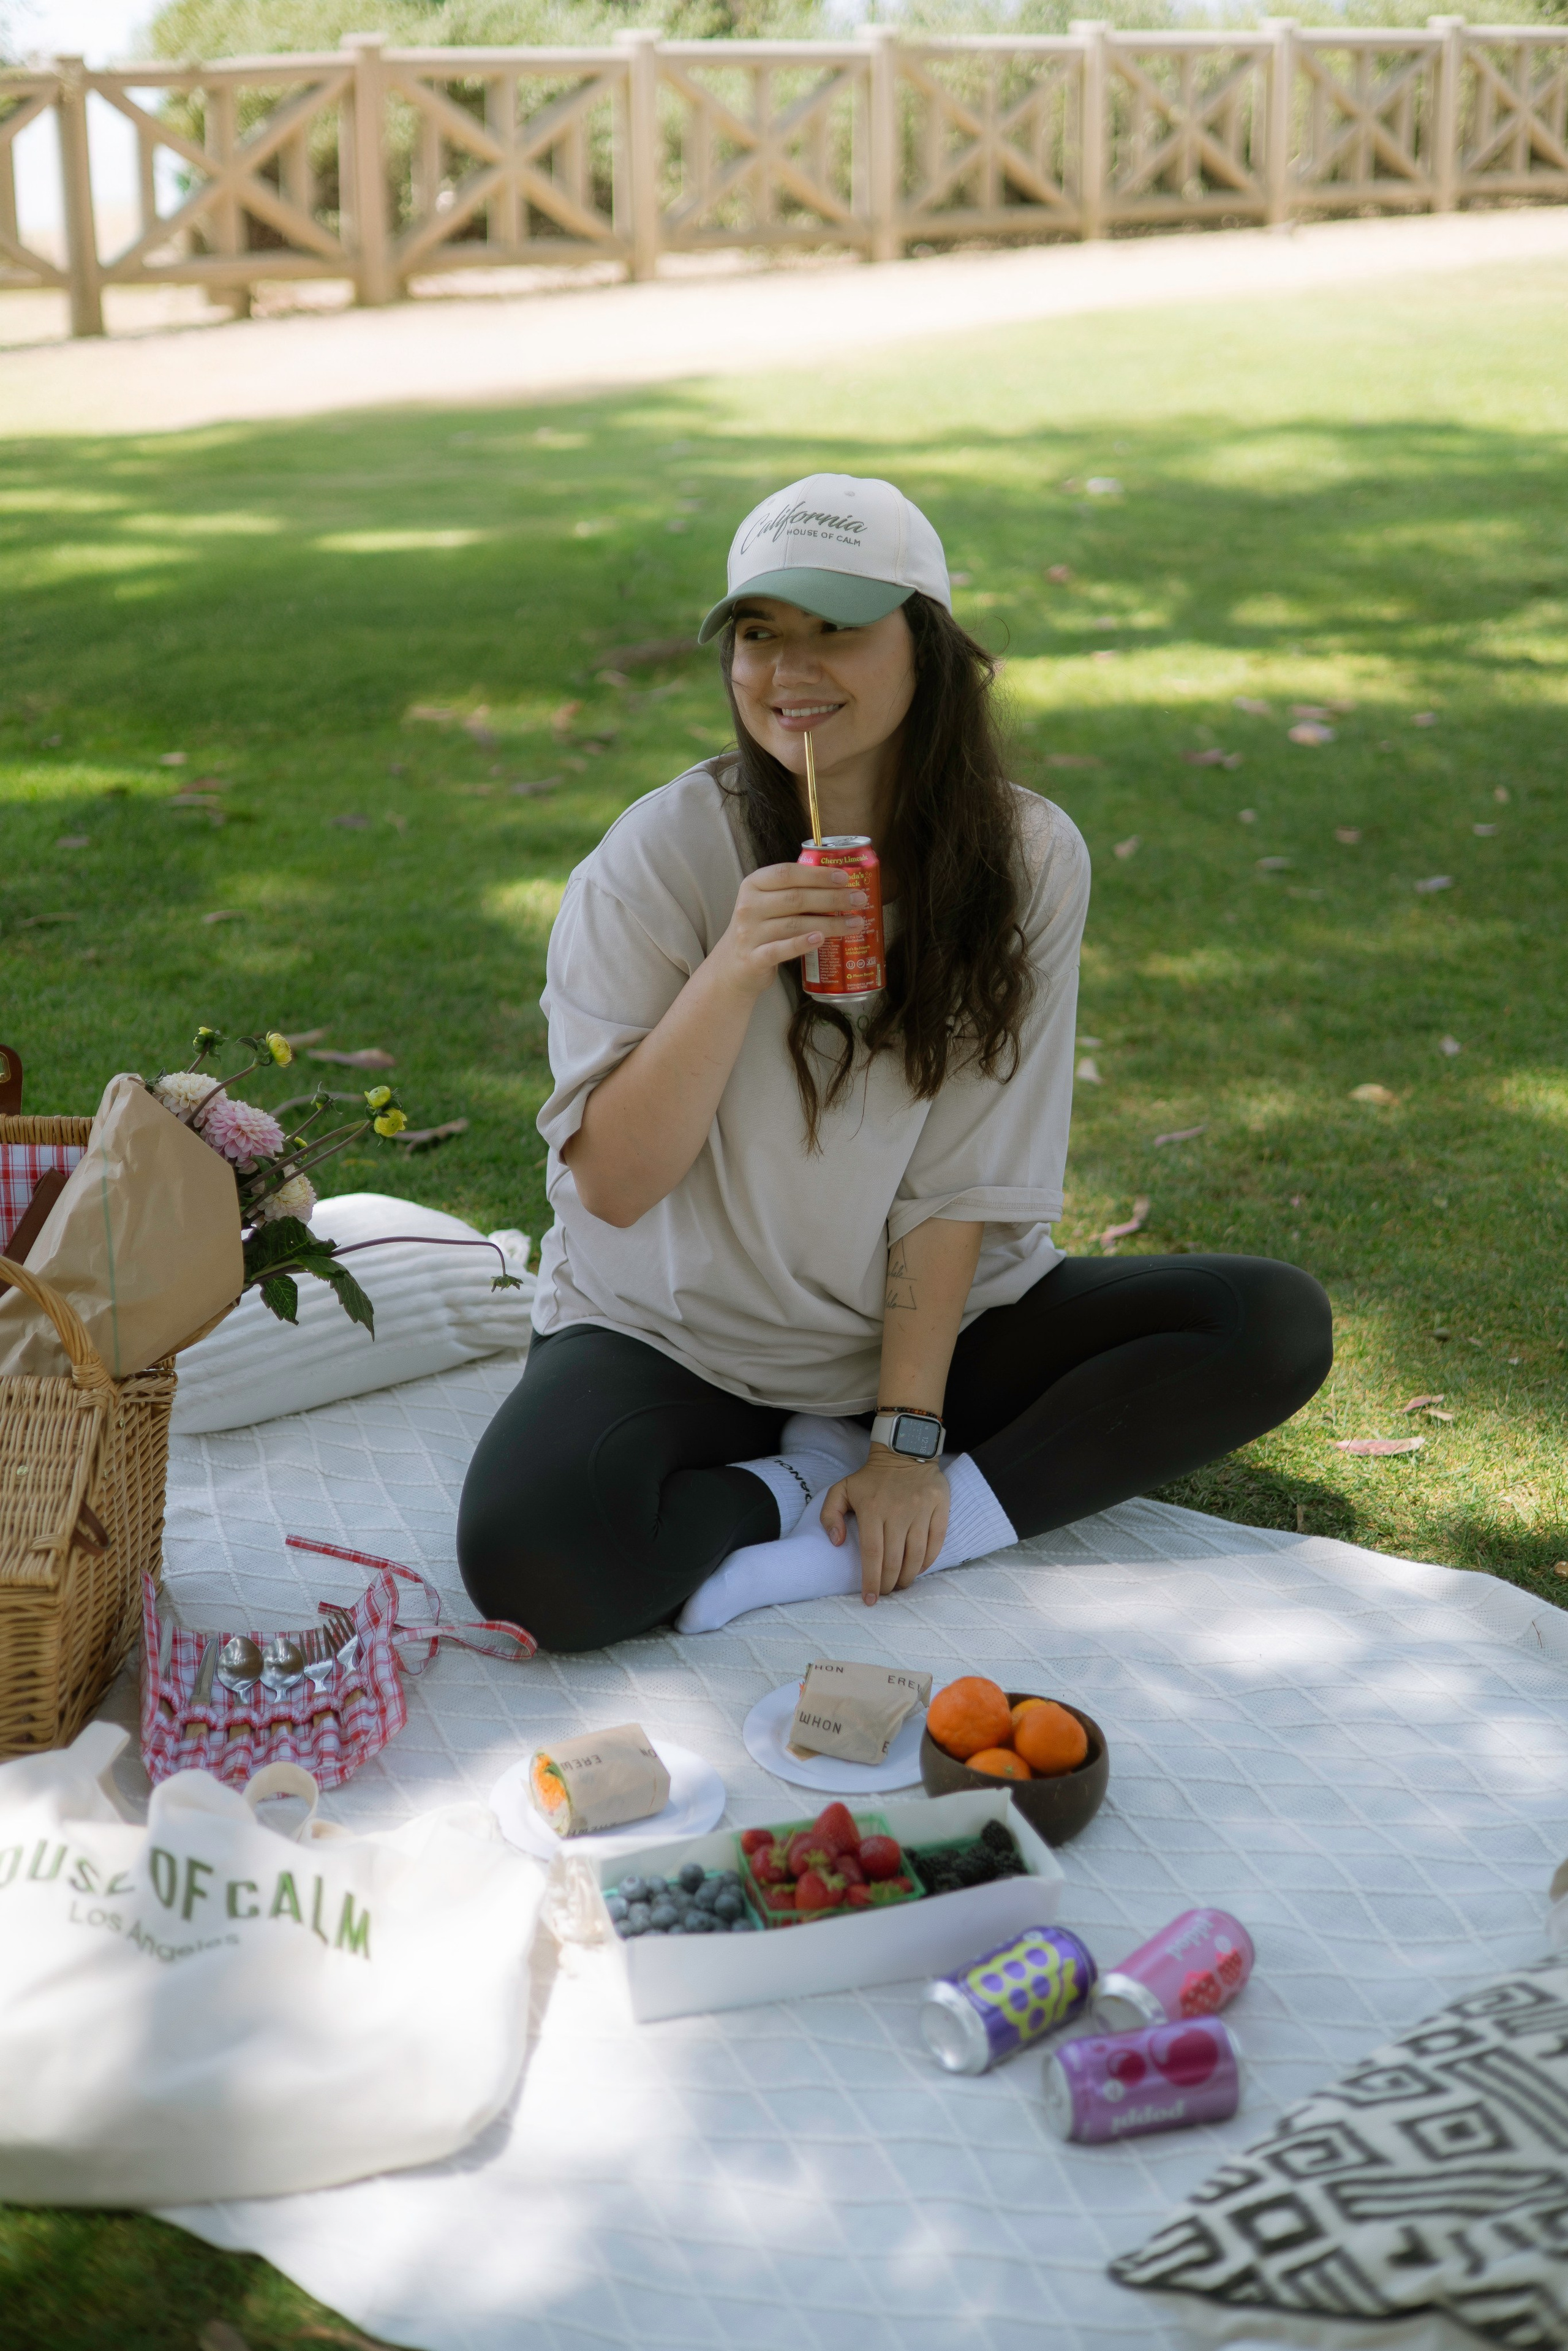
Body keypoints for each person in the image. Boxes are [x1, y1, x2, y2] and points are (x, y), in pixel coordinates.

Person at [458, 474, 1331, 1652]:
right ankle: (787, 1489)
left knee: (1266, 1323)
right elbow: (612, 1184)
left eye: (837, 631)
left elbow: (956, 1180)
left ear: (929, 648)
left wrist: (906, 1442)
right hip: (686, 1333)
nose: (789, 669)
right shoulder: (657, 857)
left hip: (931, 1334)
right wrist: (731, 969)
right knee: (532, 1560)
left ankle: (908, 1529)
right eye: (762, 634)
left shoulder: (1027, 858)